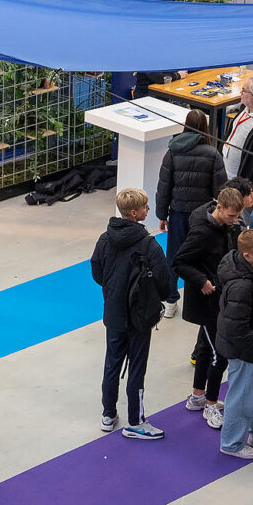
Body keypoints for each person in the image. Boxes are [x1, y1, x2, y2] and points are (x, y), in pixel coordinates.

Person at [91, 187, 177, 440]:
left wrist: (112, 290)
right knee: (137, 367)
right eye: (145, 207)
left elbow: (97, 271)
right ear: (134, 213)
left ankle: (108, 414)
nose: (148, 209)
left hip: (114, 312)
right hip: (140, 315)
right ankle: (136, 422)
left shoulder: (104, 239)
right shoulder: (148, 244)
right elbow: (164, 280)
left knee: (112, 363)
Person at [173, 186, 246, 425]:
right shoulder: (202, 232)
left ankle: (198, 397)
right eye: (231, 215)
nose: (235, 220)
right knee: (220, 354)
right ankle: (211, 405)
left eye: (237, 216)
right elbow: (179, 262)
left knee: (206, 349)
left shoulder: (227, 227)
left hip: (218, 298)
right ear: (219, 207)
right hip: (207, 302)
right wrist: (202, 281)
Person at [215, 228, 253, 459]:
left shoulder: (246, 271)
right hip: (245, 351)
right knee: (241, 395)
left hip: (248, 347)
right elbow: (236, 328)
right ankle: (231, 443)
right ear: (247, 255)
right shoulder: (242, 286)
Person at [154, 109, 227, 263]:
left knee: (175, 257)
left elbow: (164, 187)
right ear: (205, 127)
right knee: (198, 258)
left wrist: (162, 215)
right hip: (202, 214)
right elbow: (221, 191)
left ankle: (171, 280)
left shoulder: (172, 151)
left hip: (177, 213)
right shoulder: (213, 154)